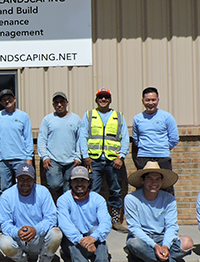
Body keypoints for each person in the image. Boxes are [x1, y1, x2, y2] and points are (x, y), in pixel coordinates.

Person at [124, 161, 199, 262]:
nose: (154, 183)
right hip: (143, 239)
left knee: (187, 242)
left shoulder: (168, 199)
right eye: (150, 179)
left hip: (162, 237)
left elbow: (171, 226)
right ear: (142, 180)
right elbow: (134, 228)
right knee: (135, 244)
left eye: (158, 179)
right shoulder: (131, 199)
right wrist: (154, 246)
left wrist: (165, 245)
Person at [0, 164, 62, 262]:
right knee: (4, 242)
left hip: (39, 238)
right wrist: (17, 232)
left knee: (56, 234)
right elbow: (4, 223)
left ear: (34, 179)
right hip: (19, 239)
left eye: (28, 179)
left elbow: (51, 218)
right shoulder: (7, 195)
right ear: (16, 179)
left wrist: (35, 230)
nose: (25, 182)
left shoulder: (43, 192)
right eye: (22, 179)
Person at [57, 166, 113, 262]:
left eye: (83, 181)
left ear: (89, 182)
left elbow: (105, 222)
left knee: (98, 231)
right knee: (72, 236)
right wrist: (83, 240)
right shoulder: (64, 200)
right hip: (74, 242)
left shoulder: (98, 199)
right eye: (76, 180)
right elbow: (65, 225)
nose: (79, 184)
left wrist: (93, 238)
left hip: (91, 240)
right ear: (70, 182)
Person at [80, 88, 130, 232]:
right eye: (100, 97)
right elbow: (83, 136)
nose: (103, 100)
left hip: (113, 161)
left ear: (110, 99)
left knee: (115, 190)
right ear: (96, 100)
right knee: (93, 190)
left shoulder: (118, 116)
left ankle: (115, 220)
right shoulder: (89, 115)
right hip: (94, 160)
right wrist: (85, 156)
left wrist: (121, 157)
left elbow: (125, 138)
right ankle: (93, 220)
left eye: (106, 97)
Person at [132, 87, 179, 194]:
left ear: (158, 100)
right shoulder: (138, 118)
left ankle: (168, 210)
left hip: (162, 156)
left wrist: (163, 147)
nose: (150, 103)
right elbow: (136, 138)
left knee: (166, 187)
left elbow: (174, 138)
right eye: (147, 100)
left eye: (153, 100)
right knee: (142, 188)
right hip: (143, 157)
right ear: (142, 101)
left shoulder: (166, 117)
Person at [37, 91, 82, 197]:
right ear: (53, 105)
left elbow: (80, 140)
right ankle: (63, 198)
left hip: (71, 160)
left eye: (62, 102)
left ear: (67, 103)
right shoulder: (48, 120)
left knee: (69, 188)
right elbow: (42, 139)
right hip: (53, 160)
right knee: (54, 185)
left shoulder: (76, 119)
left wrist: (78, 157)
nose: (59, 105)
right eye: (56, 102)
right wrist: (45, 157)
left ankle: (63, 208)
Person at [0, 89, 34, 193]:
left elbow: (28, 138)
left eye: (9, 99)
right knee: (5, 189)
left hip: (21, 158)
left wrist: (29, 158)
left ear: (14, 99)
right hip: (3, 159)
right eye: (4, 100)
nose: (7, 101)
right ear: (1, 103)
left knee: (24, 187)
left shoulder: (23, 116)